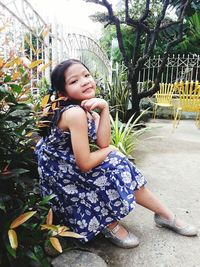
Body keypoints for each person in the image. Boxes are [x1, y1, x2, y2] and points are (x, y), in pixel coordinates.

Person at [35, 59, 198, 249]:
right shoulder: (74, 113)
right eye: (74, 81)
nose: (85, 81)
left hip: (70, 163)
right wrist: (111, 150)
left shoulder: (87, 110)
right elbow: (86, 163)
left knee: (115, 161)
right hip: (59, 174)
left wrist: (104, 108)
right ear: (62, 92)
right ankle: (109, 223)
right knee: (115, 159)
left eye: (86, 75)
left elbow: (102, 142)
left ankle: (164, 215)